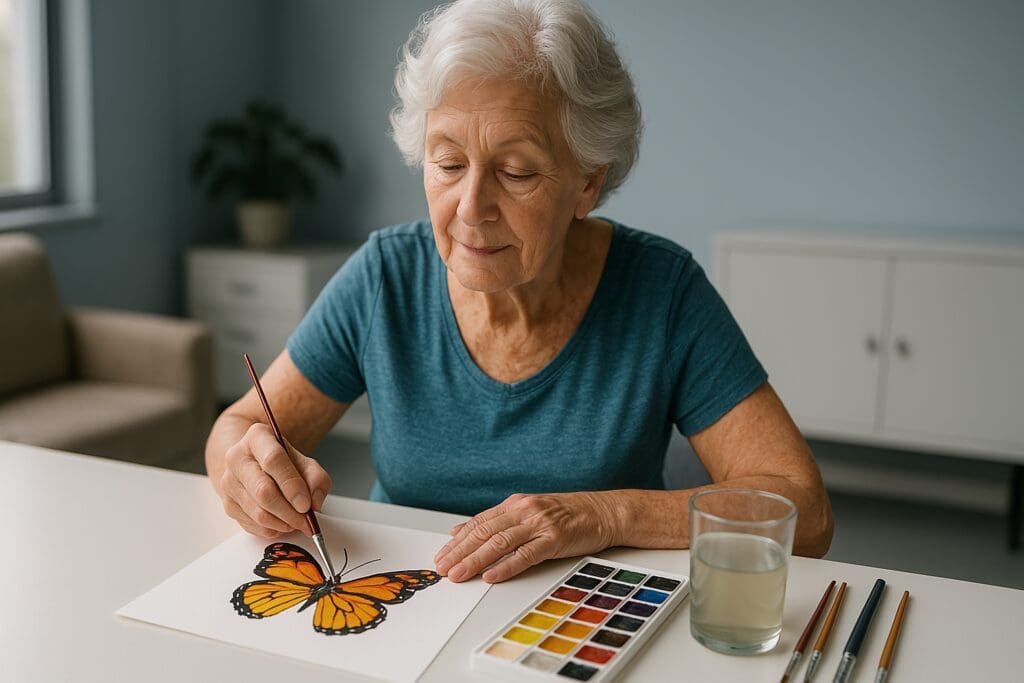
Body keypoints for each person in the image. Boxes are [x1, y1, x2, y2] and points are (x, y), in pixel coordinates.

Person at [205, 0, 833, 584]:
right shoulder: (384, 278)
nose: (471, 209)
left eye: (516, 171)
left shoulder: (663, 292)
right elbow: (240, 423)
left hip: (582, 609)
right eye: (448, 163)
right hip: (408, 598)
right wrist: (244, 466)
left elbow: (803, 511)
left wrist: (606, 516)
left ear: (587, 184)